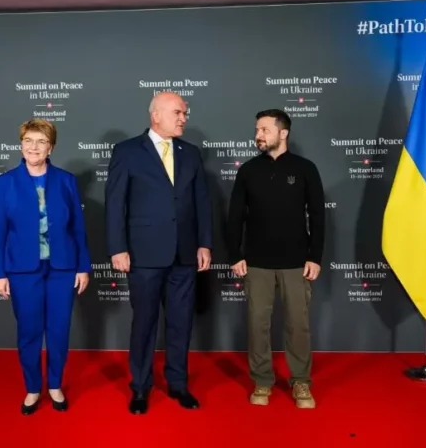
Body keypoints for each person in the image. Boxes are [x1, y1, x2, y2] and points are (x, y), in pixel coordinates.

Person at [105, 91, 213, 415]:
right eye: (178, 112)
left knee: (181, 323)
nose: (184, 118)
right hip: (143, 255)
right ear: (156, 116)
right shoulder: (126, 151)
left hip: (184, 254)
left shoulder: (190, 153)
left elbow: (202, 201)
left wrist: (204, 243)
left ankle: (178, 384)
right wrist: (118, 248)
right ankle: (140, 387)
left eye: (185, 113)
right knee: (144, 324)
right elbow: (115, 203)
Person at [0, 118, 91, 416]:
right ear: (21, 145)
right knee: (29, 331)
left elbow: (78, 228)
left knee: (59, 331)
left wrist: (83, 267)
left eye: (41, 142)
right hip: (23, 271)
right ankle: (33, 388)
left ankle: (56, 385)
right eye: (28, 141)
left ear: (51, 148)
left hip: (62, 268)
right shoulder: (5, 182)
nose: (34, 147)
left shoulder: (66, 180)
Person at [227, 109, 325, 409]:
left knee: (298, 325)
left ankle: (301, 381)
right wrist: (235, 255)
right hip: (256, 262)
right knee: (258, 325)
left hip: (296, 262)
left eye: (265, 130)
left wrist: (315, 257)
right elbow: (235, 216)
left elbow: (318, 216)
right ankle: (262, 381)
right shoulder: (248, 170)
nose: (258, 135)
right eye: (257, 129)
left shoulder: (306, 168)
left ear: (283, 133)